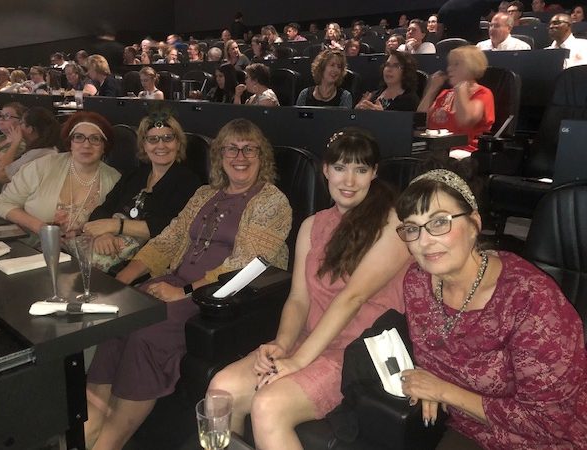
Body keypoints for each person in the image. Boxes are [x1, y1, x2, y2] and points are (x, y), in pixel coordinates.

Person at [84, 118, 292, 450]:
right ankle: (88, 428)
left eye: (249, 149)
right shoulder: (204, 194)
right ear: (219, 156)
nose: (239, 156)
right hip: (174, 281)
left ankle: (107, 444)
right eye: (231, 149)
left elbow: (245, 265)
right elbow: (167, 241)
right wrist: (121, 282)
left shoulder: (272, 201)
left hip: (217, 298)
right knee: (117, 318)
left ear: (262, 156)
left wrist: (182, 292)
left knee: (144, 335)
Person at [209, 128, 410, 450]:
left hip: (355, 351)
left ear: (374, 173)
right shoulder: (312, 226)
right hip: (308, 339)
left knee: (268, 405)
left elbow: (352, 297)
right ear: (326, 170)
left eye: (360, 170)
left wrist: (298, 361)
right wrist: (282, 344)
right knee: (222, 391)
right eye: (340, 168)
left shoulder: (393, 225)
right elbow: (299, 299)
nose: (349, 180)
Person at [395, 166, 587, 449]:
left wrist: (442, 391)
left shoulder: (529, 298)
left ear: (474, 223)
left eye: (439, 222)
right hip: (467, 428)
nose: (424, 241)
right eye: (412, 228)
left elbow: (549, 422)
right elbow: (431, 360)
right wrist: (428, 386)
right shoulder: (417, 282)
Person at [83, 113, 201, 272]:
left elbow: (171, 228)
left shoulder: (189, 182)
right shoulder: (134, 174)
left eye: (168, 138)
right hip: (106, 246)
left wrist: (116, 225)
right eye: (153, 139)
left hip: (144, 261)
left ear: (178, 143)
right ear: (144, 145)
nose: (161, 145)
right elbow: (103, 209)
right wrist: (104, 235)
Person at [0, 111, 120, 244]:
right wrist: (41, 228)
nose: (86, 145)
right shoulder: (41, 167)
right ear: (70, 143)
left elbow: (118, 224)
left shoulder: (115, 180)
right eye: (78, 137)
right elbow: (4, 204)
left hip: (83, 253)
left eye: (95, 139)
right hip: (32, 247)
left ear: (104, 146)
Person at [418, 45, 495, 154]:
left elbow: (465, 121)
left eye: (456, 64)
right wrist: (432, 89)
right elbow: (420, 121)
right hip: (435, 150)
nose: (449, 68)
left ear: (472, 66)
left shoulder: (483, 93)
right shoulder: (445, 93)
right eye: (450, 64)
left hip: (464, 151)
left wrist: (461, 90)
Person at [0, 106, 61, 184]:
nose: (18, 126)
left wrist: (15, 143)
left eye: (21, 123)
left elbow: (0, 177)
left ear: (30, 129)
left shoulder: (36, 154)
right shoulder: (49, 150)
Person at [355, 50, 420, 112]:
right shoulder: (374, 95)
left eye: (396, 66)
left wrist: (382, 115)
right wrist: (357, 110)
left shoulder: (410, 101)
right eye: (387, 65)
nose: (389, 69)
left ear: (406, 71)